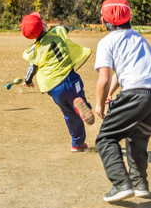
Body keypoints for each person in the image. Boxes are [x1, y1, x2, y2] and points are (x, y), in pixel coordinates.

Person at [92, 0, 151, 203]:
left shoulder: (106, 42)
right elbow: (123, 72)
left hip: (137, 92)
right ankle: (140, 185)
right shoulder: (138, 37)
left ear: (103, 21)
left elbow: (104, 78)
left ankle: (121, 184)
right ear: (129, 17)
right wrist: (112, 92)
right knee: (137, 136)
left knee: (105, 138)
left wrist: (99, 103)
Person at [20, 12, 95, 152]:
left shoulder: (34, 51)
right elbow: (65, 28)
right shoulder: (58, 32)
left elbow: (32, 68)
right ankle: (81, 106)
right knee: (78, 98)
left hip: (53, 88)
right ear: (42, 25)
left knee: (69, 115)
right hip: (71, 79)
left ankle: (77, 144)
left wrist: (28, 81)